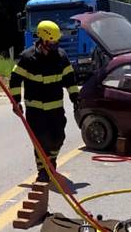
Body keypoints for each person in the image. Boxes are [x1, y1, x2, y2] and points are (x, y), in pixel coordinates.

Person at [9, 20, 79, 182]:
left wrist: (75, 97)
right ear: (42, 40)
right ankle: (43, 170)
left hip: (56, 108)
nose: (55, 46)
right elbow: (15, 79)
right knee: (41, 141)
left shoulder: (61, 57)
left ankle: (51, 161)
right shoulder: (28, 58)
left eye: (56, 43)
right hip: (35, 110)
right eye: (51, 43)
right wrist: (16, 101)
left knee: (58, 138)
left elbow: (70, 79)